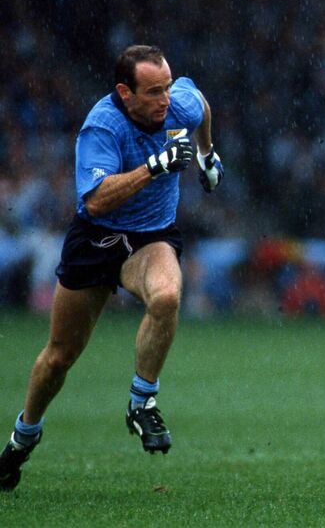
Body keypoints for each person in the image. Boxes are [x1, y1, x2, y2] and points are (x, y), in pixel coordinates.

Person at [0, 45, 224, 491]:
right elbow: (97, 198)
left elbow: (198, 104)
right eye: (153, 91)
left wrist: (206, 156)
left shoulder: (175, 102)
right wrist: (155, 166)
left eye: (167, 86)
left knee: (166, 295)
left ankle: (142, 401)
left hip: (150, 237)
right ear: (125, 92)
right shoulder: (101, 126)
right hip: (97, 239)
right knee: (59, 357)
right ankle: (23, 437)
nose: (165, 100)